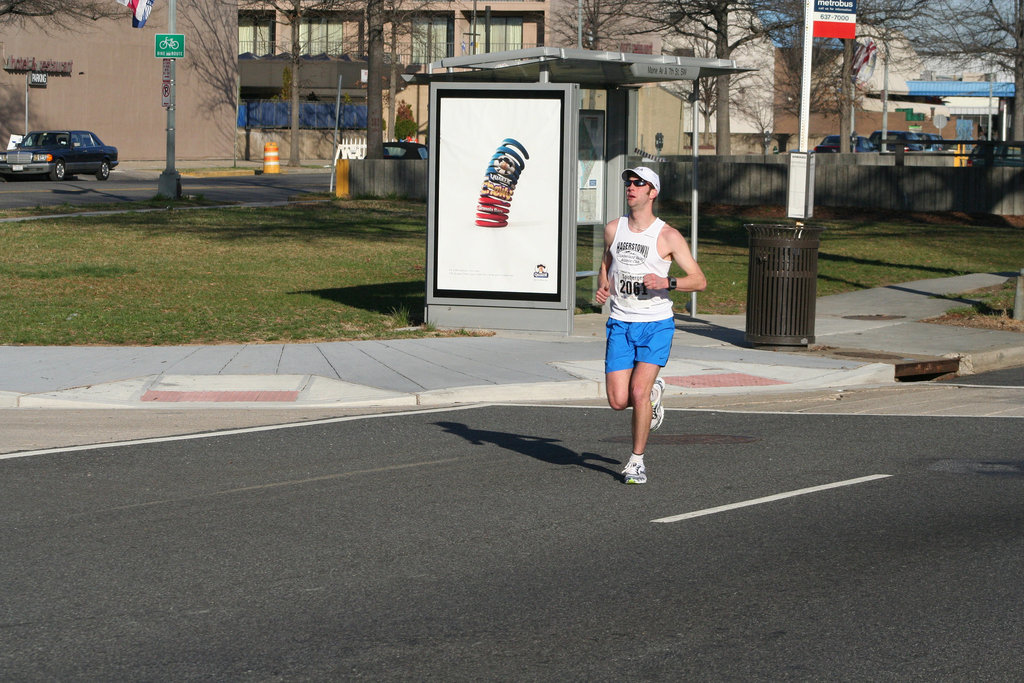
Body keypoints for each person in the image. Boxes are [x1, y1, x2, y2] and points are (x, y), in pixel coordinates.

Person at [595, 166, 707, 485]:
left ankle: (636, 462)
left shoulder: (667, 235)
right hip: (620, 322)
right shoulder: (614, 229)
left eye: (638, 183)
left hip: (655, 324)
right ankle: (655, 394)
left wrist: (666, 281)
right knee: (618, 401)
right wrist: (604, 285)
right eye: (628, 182)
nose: (631, 187)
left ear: (652, 192)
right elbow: (607, 262)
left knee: (638, 392)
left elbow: (699, 280)